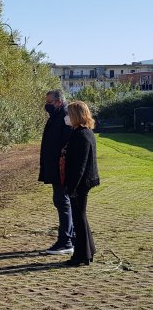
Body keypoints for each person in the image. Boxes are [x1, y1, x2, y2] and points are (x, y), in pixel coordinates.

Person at [63, 101, 99, 266]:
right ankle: (88, 250)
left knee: (79, 218)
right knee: (80, 217)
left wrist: (72, 187)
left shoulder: (81, 134)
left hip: (80, 183)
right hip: (82, 181)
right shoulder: (84, 132)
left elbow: (80, 164)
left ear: (76, 116)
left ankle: (81, 255)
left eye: (69, 114)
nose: (67, 117)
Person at [38, 90, 74, 255]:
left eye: (50, 102)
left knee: (62, 202)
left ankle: (66, 241)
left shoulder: (65, 114)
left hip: (61, 168)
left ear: (59, 101)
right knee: (61, 201)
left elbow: (68, 142)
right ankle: (70, 237)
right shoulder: (58, 114)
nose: (47, 105)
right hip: (56, 167)